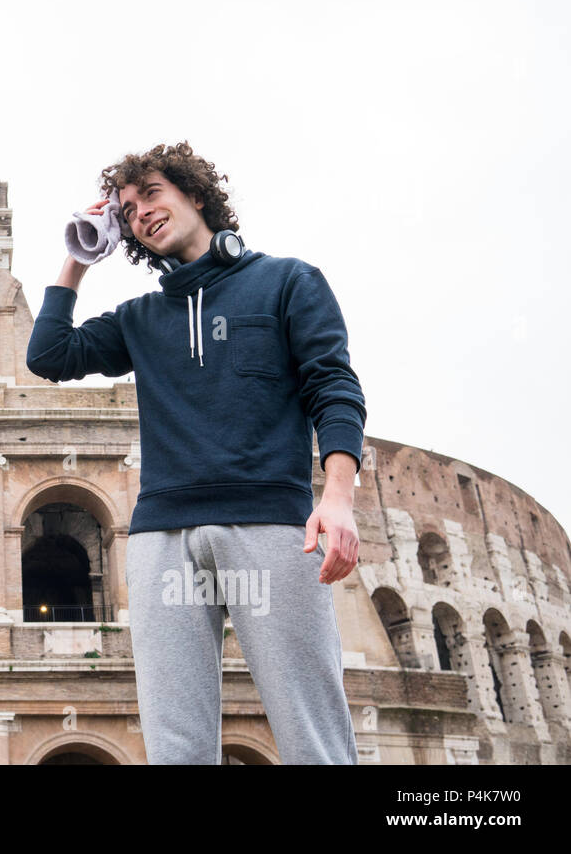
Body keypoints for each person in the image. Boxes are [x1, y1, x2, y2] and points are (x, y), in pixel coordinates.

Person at [26, 141, 365, 764]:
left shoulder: (287, 280)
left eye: (151, 194)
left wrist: (338, 496)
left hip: (270, 525)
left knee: (310, 728)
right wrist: (77, 259)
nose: (140, 213)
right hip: (162, 539)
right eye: (126, 211)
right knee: (174, 742)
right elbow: (48, 355)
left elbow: (333, 385)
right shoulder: (140, 318)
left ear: (196, 194)